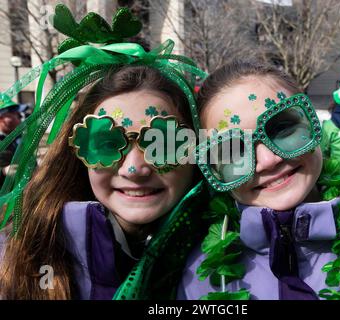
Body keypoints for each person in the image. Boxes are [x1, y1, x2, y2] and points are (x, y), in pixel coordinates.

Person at [0, 5, 208, 300]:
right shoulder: (18, 257)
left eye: (163, 143)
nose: (134, 169)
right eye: (107, 143)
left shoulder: (240, 259)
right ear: (76, 152)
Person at [178, 60, 340, 300]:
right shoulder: (198, 276)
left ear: (313, 121)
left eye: (282, 128)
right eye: (232, 150)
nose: (269, 160)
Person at [0, 98, 24, 186]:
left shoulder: (20, 138)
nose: (19, 116)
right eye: (13, 113)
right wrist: (3, 171)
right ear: (1, 117)